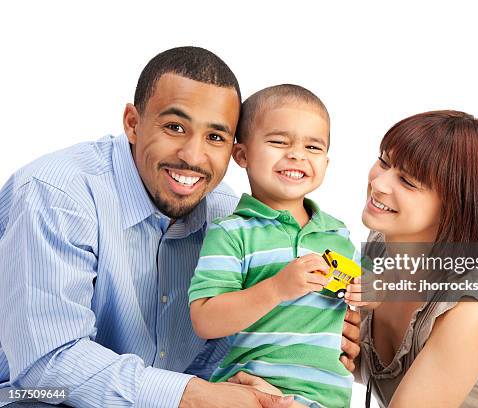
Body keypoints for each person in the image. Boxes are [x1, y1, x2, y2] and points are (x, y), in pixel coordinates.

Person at [0, 47, 359, 408]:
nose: (192, 155)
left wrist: (309, 343)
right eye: (175, 127)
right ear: (132, 122)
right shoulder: (58, 195)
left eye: (215, 137)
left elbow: (221, 350)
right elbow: (46, 367)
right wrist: (190, 395)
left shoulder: (225, 213)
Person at [345, 111, 478, 407]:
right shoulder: (381, 245)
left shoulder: (472, 310)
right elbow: (365, 365)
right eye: (384, 161)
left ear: (453, 207)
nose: (379, 183)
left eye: (407, 180)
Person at [188, 85, 366, 408]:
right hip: (248, 394)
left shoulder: (338, 235)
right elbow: (204, 320)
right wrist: (277, 289)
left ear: (326, 162)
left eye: (313, 146)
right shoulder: (231, 233)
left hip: (328, 400)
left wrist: (370, 298)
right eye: (279, 142)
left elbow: (362, 315)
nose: (296, 154)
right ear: (241, 155)